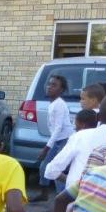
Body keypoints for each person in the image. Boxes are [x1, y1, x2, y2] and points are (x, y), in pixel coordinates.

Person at [44, 95, 106, 193]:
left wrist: (73, 183)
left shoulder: (81, 136)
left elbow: (51, 170)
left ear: (98, 117)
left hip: (78, 196)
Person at [30, 75, 74, 203]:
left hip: (64, 140)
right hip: (57, 140)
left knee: (56, 169)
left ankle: (62, 200)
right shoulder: (53, 103)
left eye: (54, 85)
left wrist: (46, 148)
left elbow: (58, 128)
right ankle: (44, 194)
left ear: (62, 90)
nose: (49, 87)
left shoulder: (59, 105)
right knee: (44, 167)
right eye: (49, 84)